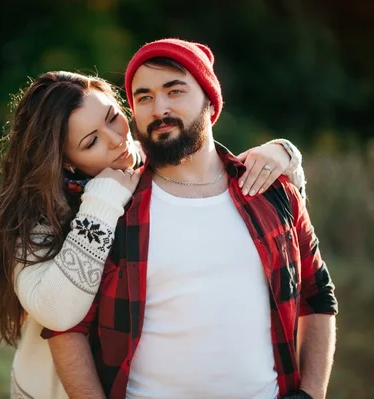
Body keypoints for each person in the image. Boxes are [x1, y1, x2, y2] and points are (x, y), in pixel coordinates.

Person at [0, 70, 307, 399]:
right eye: (91, 141)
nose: (115, 139)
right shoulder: (39, 218)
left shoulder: (145, 160)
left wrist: (284, 152)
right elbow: (59, 314)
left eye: (112, 117)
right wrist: (103, 200)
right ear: (65, 162)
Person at [46, 39, 338, 399]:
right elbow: (67, 330)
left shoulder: (270, 190)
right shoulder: (110, 209)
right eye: (144, 97)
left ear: (209, 98)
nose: (159, 108)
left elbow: (316, 296)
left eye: (175, 90)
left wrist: (310, 394)